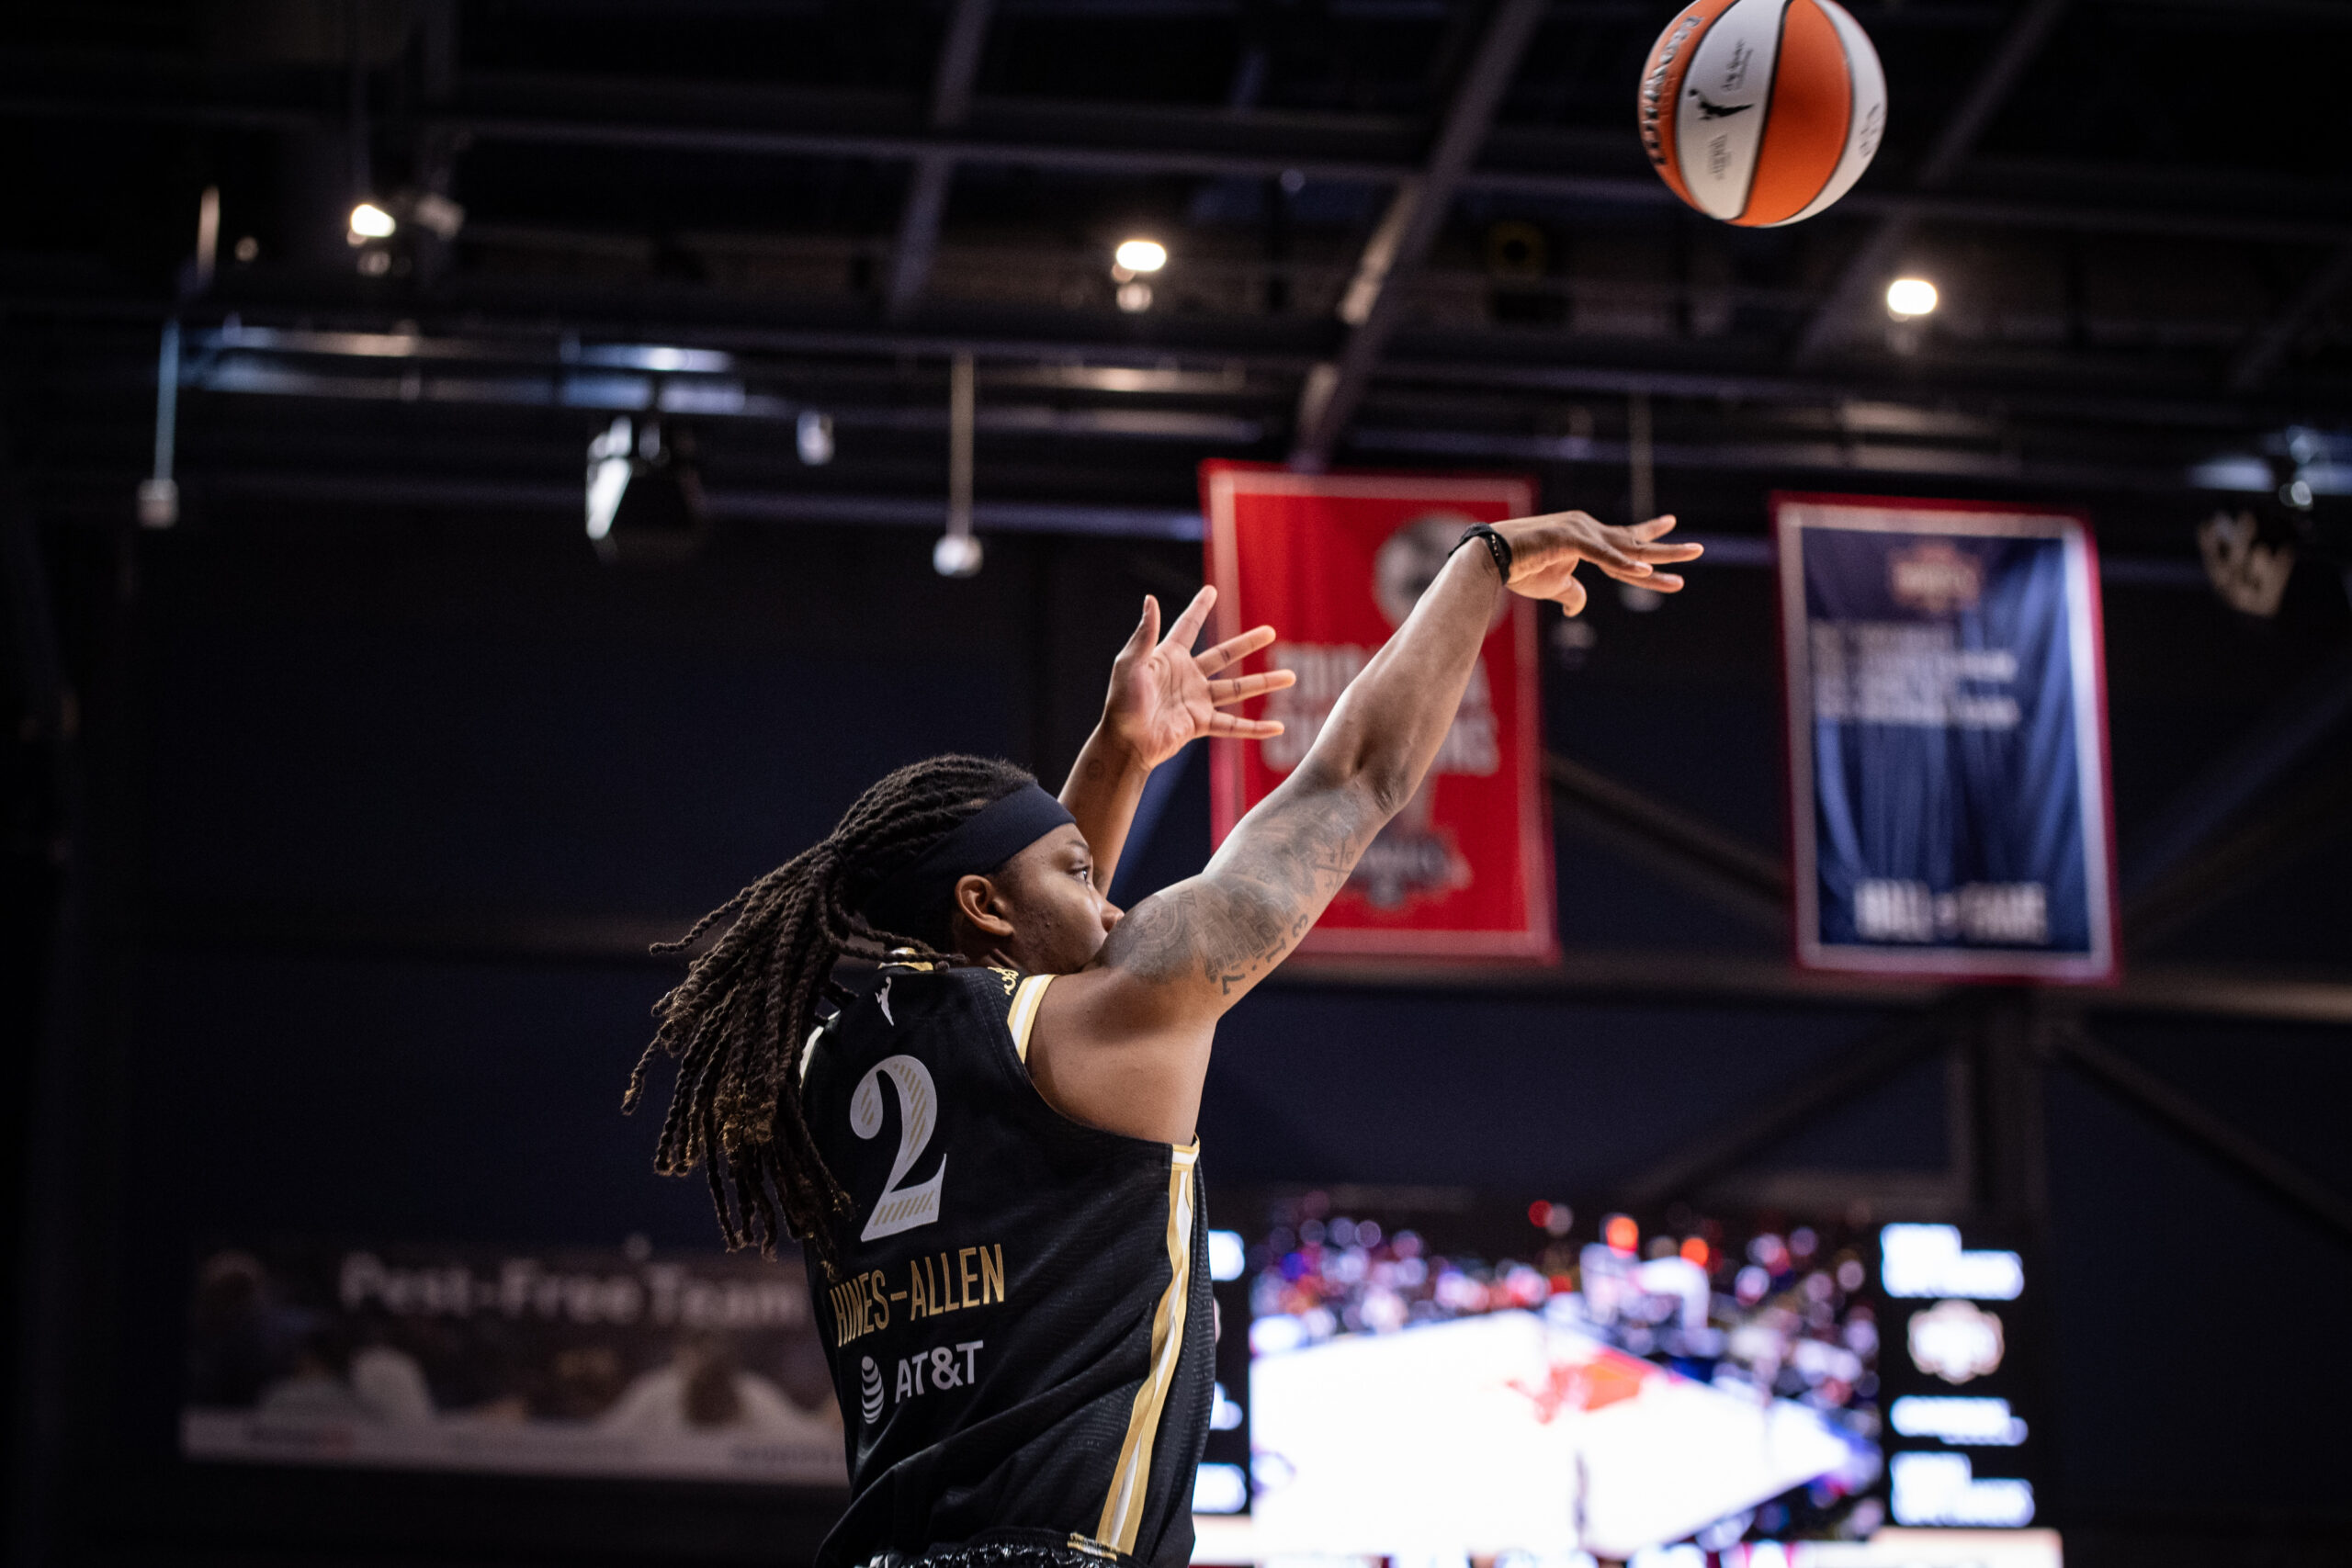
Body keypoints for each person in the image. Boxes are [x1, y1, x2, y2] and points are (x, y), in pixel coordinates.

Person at [627, 510, 1698, 1568]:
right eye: (1082, 876)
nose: (1111, 911)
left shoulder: (813, 1074)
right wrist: (1484, 562)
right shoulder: (1103, 1022)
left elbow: (1022, 973)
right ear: (984, 907)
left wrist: (1119, 758)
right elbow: (1357, 776)